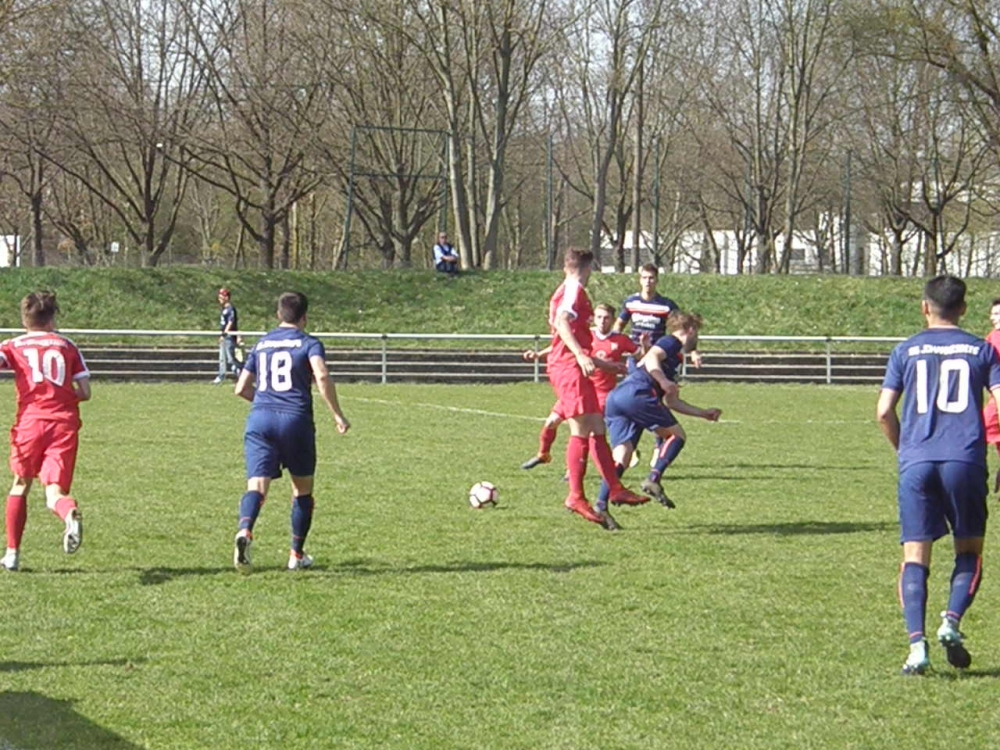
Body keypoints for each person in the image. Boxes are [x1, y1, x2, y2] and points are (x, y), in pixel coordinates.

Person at [876, 275, 1000, 676]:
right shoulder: (982, 350)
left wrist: (905, 452)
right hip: (965, 461)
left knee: (915, 556)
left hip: (917, 461)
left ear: (924, 307)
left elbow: (883, 411)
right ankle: (951, 621)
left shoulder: (905, 350)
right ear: (963, 309)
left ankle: (917, 647)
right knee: (969, 550)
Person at [232, 291, 350, 573]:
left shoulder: (261, 344)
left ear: (278, 315)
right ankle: (296, 555)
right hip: (295, 420)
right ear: (304, 317)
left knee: (256, 486)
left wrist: (264, 401)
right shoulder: (309, 343)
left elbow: (240, 388)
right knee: (302, 490)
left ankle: (245, 530)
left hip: (260, 420)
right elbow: (321, 375)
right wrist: (337, 414)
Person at [545, 247, 647, 530]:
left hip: (574, 367)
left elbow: (574, 335)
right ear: (587, 268)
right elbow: (562, 322)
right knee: (582, 429)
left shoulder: (568, 289)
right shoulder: (573, 289)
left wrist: (604, 364)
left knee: (597, 427)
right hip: (568, 368)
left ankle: (615, 488)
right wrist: (580, 355)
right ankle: (575, 496)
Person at [597, 311, 720, 518]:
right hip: (638, 393)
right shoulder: (671, 342)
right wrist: (662, 381)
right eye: (697, 333)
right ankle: (654, 478)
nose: (696, 339)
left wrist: (703, 413)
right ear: (691, 330)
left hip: (617, 398)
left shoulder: (675, 358)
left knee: (623, 456)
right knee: (677, 436)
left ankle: (601, 505)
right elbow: (652, 356)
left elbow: (671, 401)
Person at [0, 292, 89, 572]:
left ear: (24, 319)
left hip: (30, 423)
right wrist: (62, 397)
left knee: (20, 484)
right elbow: (85, 391)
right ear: (52, 319)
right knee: (54, 492)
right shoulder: (67, 345)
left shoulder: (14, 345)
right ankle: (68, 512)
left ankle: (12, 554)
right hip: (63, 423)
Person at [521, 303, 638, 472]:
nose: (602, 321)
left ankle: (576, 470)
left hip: (602, 394)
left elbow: (640, 354)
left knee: (584, 430)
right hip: (578, 389)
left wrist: (634, 366)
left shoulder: (621, 340)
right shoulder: (587, 335)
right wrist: (538, 354)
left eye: (606, 318)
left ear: (613, 320)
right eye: (599, 317)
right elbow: (561, 345)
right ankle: (543, 454)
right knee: (551, 422)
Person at [982, 297, 1000, 485]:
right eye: (992, 313)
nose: (992, 317)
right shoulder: (992, 337)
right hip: (995, 398)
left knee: (979, 431)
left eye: (997, 314)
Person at [214, 288, 241, 384]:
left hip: (229, 337)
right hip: (224, 336)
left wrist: (224, 334)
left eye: (221, 297)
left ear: (227, 297)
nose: (219, 299)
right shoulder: (224, 309)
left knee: (230, 359)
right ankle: (221, 375)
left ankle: (240, 374)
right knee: (222, 358)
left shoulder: (230, 309)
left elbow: (231, 322)